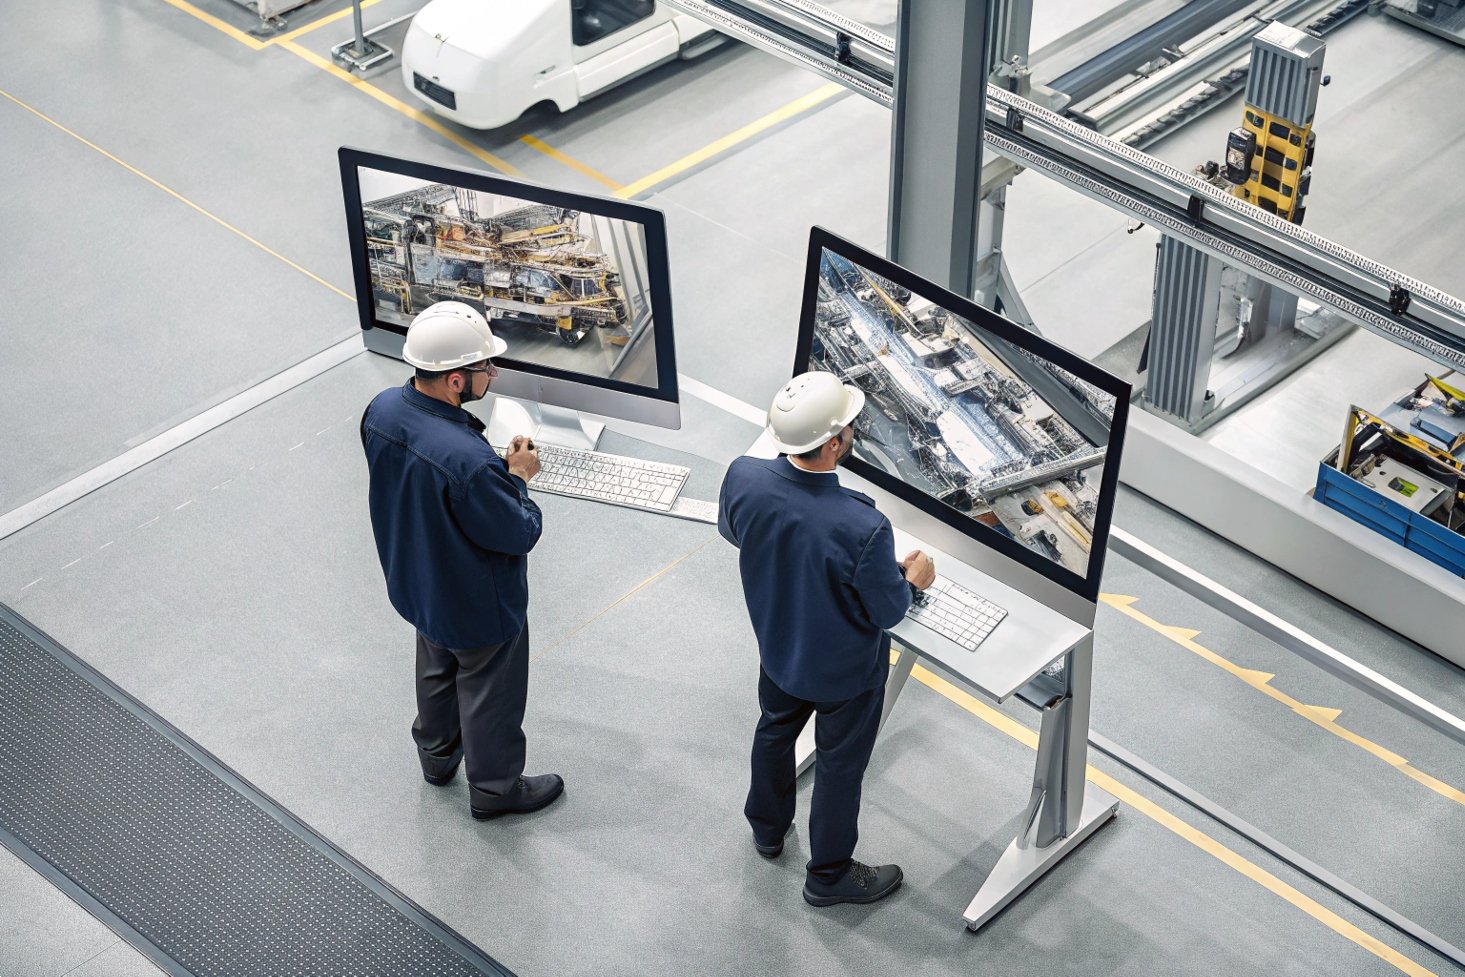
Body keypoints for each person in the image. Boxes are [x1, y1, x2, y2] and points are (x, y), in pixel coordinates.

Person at [718, 371, 936, 907]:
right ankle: (829, 875)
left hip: (778, 648)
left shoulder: (743, 476)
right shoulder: (861, 525)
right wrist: (914, 579)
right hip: (845, 674)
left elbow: (733, 531)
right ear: (834, 442)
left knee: (774, 731)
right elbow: (887, 611)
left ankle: (767, 830)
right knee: (840, 766)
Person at [361, 301, 564, 820]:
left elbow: (420, 483)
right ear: (455, 381)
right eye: (483, 368)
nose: (491, 373)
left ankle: (436, 757)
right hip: (476, 601)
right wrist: (516, 476)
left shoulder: (381, 410)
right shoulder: (469, 461)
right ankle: (496, 790)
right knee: (488, 689)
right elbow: (519, 532)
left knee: (434, 666)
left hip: (416, 579)